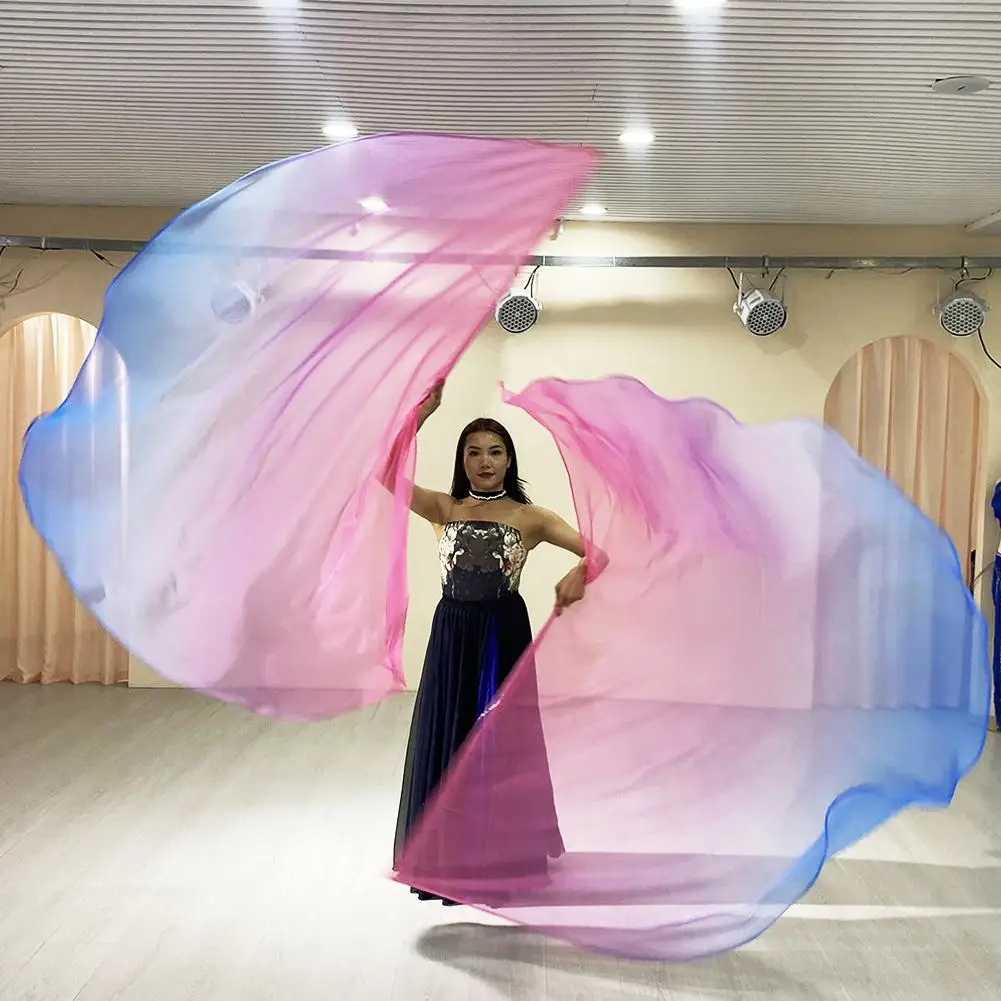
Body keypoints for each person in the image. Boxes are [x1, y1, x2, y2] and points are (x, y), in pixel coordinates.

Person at [389, 381, 595, 904]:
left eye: (495, 452)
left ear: (509, 460)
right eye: (474, 452)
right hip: (453, 635)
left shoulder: (532, 518)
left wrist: (580, 574)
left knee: (499, 743)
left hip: (503, 634)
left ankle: (503, 855)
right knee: (452, 738)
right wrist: (422, 413)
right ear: (463, 460)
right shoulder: (443, 508)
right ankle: (446, 855)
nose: (485, 461)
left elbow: (602, 552)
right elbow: (382, 472)